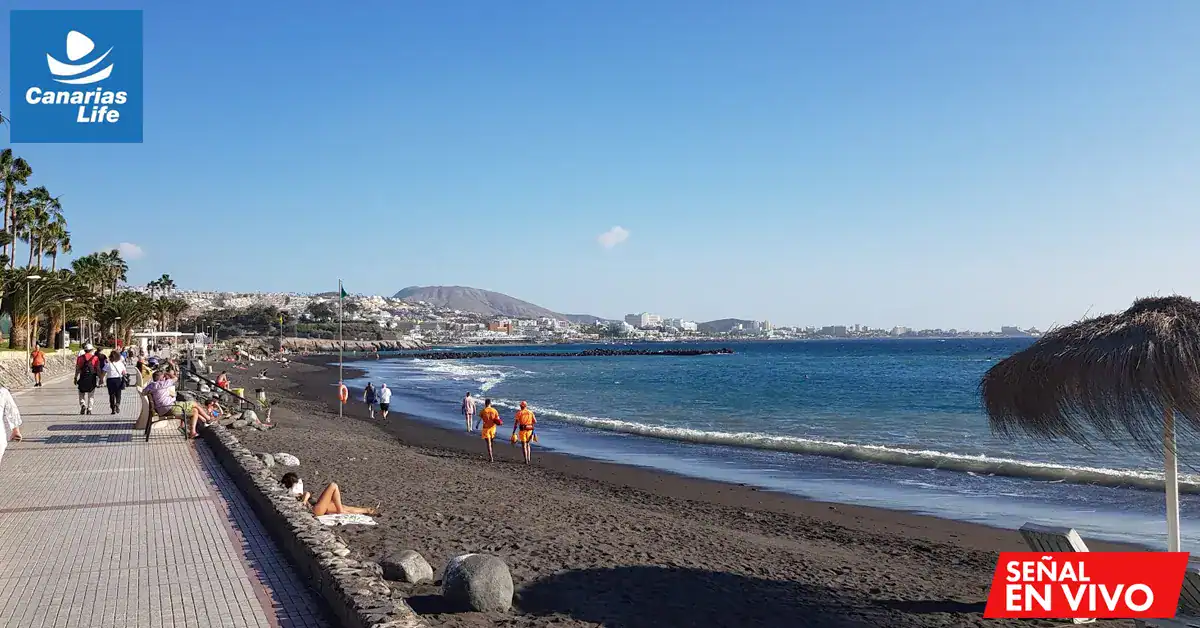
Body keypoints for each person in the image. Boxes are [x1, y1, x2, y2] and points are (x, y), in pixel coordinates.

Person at [279, 472, 379, 517]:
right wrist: (305, 500)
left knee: (342, 506)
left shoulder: (290, 492)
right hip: (314, 510)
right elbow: (307, 493)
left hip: (316, 506)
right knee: (333, 485)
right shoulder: (292, 493)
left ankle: (366, 510)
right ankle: (341, 511)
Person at [74, 344, 101, 415]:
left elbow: (77, 369)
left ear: (85, 350)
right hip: (92, 378)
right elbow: (97, 369)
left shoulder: (80, 358)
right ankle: (89, 409)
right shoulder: (95, 358)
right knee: (91, 395)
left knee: (81, 393)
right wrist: (100, 378)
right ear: (91, 350)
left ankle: (83, 404)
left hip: (83, 377)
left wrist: (75, 377)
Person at [0, 386, 23, 465]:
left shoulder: (2, 392)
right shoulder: (2, 392)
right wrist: (15, 430)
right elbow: (12, 410)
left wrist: (15, 430)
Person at [103, 350, 129, 414]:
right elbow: (124, 372)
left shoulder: (108, 364)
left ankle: (113, 409)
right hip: (118, 380)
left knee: (111, 395)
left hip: (110, 380)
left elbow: (103, 373)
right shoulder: (120, 363)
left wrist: (101, 380)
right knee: (118, 394)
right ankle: (117, 404)